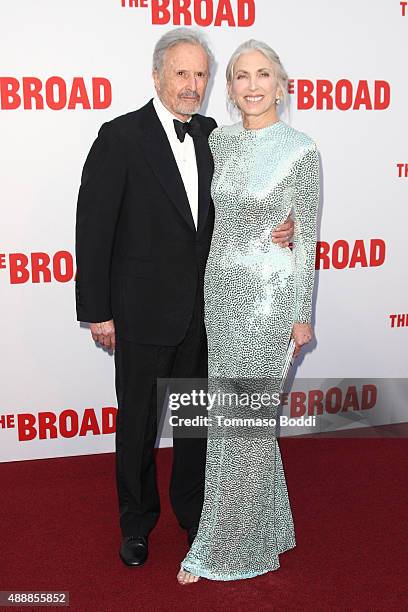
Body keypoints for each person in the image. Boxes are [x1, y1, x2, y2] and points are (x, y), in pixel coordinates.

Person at [75, 29, 294, 569]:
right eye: (182, 73)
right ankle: (136, 523)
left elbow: (239, 207)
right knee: (138, 424)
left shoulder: (212, 135)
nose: (192, 84)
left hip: (206, 314)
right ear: (156, 76)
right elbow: (93, 228)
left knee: (198, 425)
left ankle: (194, 512)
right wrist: (97, 310)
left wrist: (280, 226)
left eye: (201, 75)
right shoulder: (120, 137)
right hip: (142, 313)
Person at [178, 40, 320, 584]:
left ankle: (227, 546)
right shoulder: (221, 141)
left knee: (242, 424)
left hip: (268, 299)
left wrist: (301, 314)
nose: (253, 85)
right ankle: (271, 526)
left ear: (281, 85)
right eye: (241, 76)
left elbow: (304, 238)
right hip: (221, 293)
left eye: (263, 74)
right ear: (230, 89)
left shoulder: (301, 148)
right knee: (241, 421)